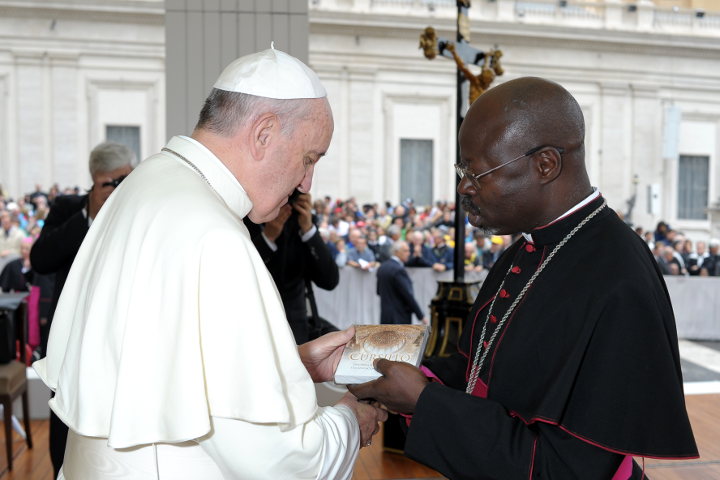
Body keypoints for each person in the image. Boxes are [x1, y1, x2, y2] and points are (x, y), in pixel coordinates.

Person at [33, 47, 386, 479]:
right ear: (263, 133)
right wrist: (350, 420)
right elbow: (276, 460)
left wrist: (297, 364)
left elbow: (167, 366)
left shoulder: (146, 181)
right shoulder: (216, 237)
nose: (306, 183)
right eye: (309, 158)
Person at [349, 77, 697, 479]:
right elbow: (480, 372)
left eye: (478, 172)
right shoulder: (525, 250)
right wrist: (374, 361)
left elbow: (569, 469)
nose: (463, 186)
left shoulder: (619, 279)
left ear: (545, 164)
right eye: (462, 169)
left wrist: (424, 401)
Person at [29, 140, 135, 478]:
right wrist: (89, 215)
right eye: (109, 182)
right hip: (74, 334)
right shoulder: (68, 208)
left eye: (124, 179)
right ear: (94, 180)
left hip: (124, 332)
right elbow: (40, 259)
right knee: (65, 418)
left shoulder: (140, 205)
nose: (117, 188)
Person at [244, 190, 340, 343]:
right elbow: (242, 274)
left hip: (295, 328)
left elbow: (329, 280)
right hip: (255, 322)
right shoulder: (248, 218)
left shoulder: (301, 220)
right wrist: (268, 237)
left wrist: (308, 231)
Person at [376, 240, 427, 325]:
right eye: (405, 251)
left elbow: (378, 291)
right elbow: (408, 295)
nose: (409, 253)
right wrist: (421, 316)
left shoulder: (382, 267)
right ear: (396, 252)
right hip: (399, 317)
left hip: (385, 316)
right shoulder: (398, 270)